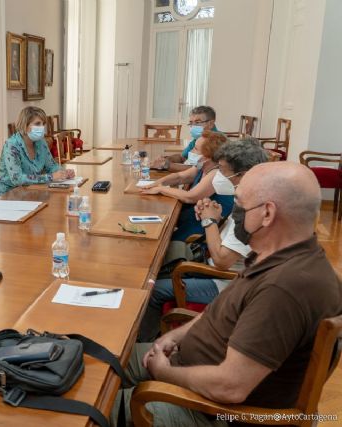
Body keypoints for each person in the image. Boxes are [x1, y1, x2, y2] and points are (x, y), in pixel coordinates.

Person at [115, 161, 342, 426]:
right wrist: (176, 336)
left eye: (240, 204)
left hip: (210, 411)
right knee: (102, 359)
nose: (235, 212)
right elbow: (218, 311)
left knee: (88, 406)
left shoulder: (285, 288)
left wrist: (164, 373)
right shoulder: (277, 257)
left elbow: (230, 387)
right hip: (185, 365)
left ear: (267, 213)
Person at [138, 140, 269, 342]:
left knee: (153, 289)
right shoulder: (249, 195)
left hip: (225, 282)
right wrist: (215, 219)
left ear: (243, 174)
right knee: (159, 260)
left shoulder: (253, 210)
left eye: (223, 171)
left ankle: (141, 343)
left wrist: (209, 222)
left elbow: (222, 261)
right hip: (216, 266)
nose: (218, 175)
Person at [141, 130, 233, 241]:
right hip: (194, 216)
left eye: (196, 149)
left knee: (162, 238)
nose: (191, 151)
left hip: (203, 225)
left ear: (207, 157)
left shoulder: (216, 174)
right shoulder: (202, 164)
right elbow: (180, 177)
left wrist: (161, 189)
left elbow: (190, 197)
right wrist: (158, 182)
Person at [0, 107, 75, 198]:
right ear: (25, 125)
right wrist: (50, 177)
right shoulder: (12, 145)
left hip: (29, 191)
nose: (42, 127)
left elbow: (51, 166)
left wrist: (63, 172)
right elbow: (17, 179)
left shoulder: (41, 142)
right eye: (37, 124)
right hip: (6, 195)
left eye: (43, 124)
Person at [152, 106, 219, 172]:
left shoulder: (218, 141)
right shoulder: (198, 138)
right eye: (191, 123)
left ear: (211, 124)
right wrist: (166, 159)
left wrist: (167, 165)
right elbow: (182, 157)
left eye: (197, 122)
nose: (193, 126)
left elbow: (200, 168)